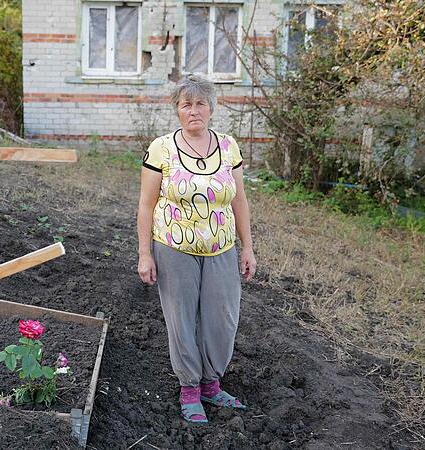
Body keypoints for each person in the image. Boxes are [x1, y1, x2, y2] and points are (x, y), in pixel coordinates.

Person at [136, 75, 257, 424]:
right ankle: (190, 388)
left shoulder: (228, 146)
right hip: (173, 246)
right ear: (177, 110)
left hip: (221, 246)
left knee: (223, 317)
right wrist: (145, 253)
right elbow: (146, 205)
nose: (194, 111)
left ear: (211, 108)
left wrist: (247, 248)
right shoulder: (161, 149)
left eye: (200, 103)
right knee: (182, 318)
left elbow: (240, 201)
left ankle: (211, 384)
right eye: (186, 105)